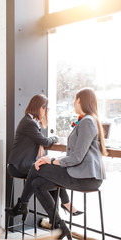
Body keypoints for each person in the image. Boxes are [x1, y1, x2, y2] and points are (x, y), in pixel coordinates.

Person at [6, 88, 107, 239]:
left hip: (87, 178)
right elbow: (75, 155)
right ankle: (61, 228)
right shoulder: (87, 120)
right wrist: (53, 159)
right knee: (37, 184)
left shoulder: (87, 121)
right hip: (81, 174)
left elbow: (77, 157)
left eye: (75, 99)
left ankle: (22, 205)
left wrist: (52, 160)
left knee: (37, 166)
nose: (73, 103)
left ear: (81, 101)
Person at [7, 94, 82, 218]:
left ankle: (51, 214)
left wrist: (40, 142)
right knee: (52, 172)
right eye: (46, 109)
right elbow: (45, 141)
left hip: (22, 163)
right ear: (40, 108)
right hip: (18, 165)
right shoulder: (29, 122)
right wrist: (54, 138)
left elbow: (40, 140)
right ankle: (62, 208)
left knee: (52, 174)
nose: (46, 112)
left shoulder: (30, 121)